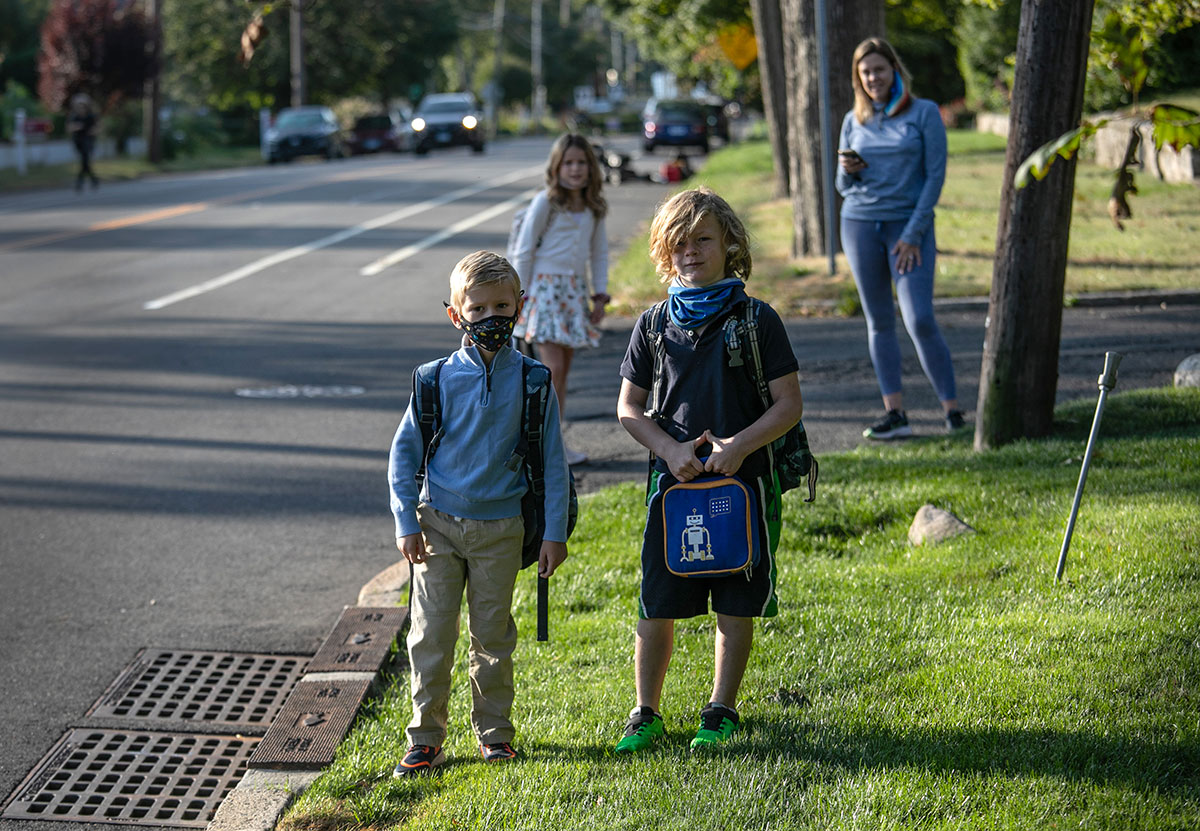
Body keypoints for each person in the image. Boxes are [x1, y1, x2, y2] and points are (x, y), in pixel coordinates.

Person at [613, 187, 804, 752]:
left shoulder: (757, 319)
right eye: (678, 242)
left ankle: (721, 709)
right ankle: (646, 711)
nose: (690, 251)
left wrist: (741, 447)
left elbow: (788, 404)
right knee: (657, 600)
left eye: (703, 239)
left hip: (741, 484)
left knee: (734, 599)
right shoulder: (651, 324)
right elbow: (628, 407)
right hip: (673, 488)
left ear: (729, 245)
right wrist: (670, 452)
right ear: (663, 251)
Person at [387, 250, 570, 776]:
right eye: (478, 308)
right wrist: (405, 520)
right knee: (431, 634)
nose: (491, 319)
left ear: (519, 307)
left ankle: (494, 733)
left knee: (492, 636)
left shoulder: (534, 381)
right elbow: (402, 456)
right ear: (456, 315)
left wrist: (553, 534)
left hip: (501, 530)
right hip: (437, 526)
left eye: (502, 307)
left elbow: (553, 464)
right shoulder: (434, 379)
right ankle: (425, 737)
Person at [836, 37, 966, 440]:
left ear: (894, 69)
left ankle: (953, 413)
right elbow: (841, 185)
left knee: (920, 318)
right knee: (879, 321)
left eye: (879, 69)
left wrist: (912, 235)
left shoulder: (924, 113)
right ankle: (895, 414)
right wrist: (849, 169)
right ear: (858, 78)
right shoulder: (852, 120)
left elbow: (935, 177)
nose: (873, 77)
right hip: (859, 224)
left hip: (908, 230)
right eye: (865, 72)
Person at [511, 133, 610, 466]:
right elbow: (524, 251)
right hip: (544, 294)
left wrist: (599, 296)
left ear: (590, 168)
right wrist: (518, 297)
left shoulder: (594, 207)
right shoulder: (546, 202)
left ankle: (555, 443)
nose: (575, 169)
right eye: (568, 163)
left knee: (562, 374)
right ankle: (543, 446)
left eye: (581, 163)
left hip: (573, 294)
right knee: (550, 372)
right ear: (556, 167)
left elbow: (599, 254)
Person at [67, 93, 100, 192]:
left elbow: (98, 127)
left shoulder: (91, 116)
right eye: (79, 106)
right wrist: (76, 127)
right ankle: (93, 179)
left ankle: (79, 181)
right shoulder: (74, 116)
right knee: (85, 161)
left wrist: (93, 131)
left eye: (83, 106)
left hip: (88, 141)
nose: (81, 108)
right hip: (78, 141)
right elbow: (69, 128)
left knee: (85, 160)